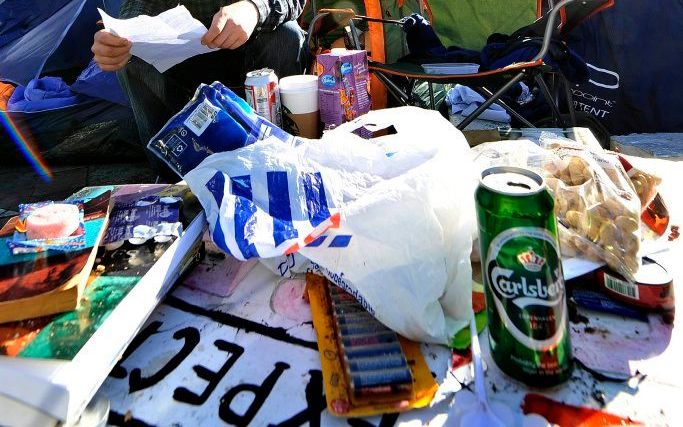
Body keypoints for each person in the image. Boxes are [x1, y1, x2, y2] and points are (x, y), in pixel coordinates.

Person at [91, 0, 306, 179]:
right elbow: (141, 4)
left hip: (255, 53)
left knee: (286, 36)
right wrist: (120, 38)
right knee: (133, 61)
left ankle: (280, 162)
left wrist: (254, 8)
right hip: (184, 59)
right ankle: (172, 178)